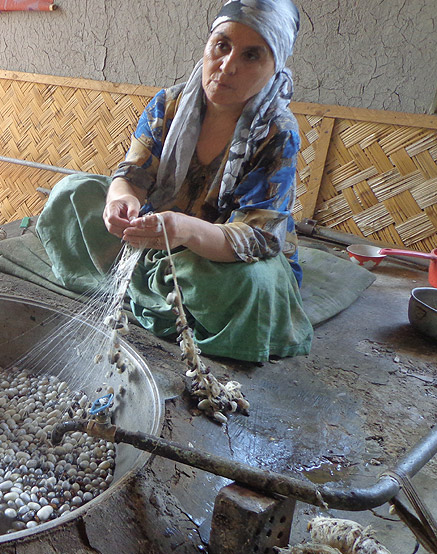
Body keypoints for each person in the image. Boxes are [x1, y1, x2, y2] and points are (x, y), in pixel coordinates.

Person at [35, 0, 312, 363]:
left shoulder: (276, 132)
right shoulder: (169, 103)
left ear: (274, 68)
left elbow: (257, 235)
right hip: (158, 228)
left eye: (251, 56)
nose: (227, 66)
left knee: (251, 285)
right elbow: (133, 173)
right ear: (208, 45)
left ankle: (151, 278)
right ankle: (156, 278)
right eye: (222, 46)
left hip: (220, 252)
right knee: (72, 192)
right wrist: (121, 200)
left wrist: (186, 231)